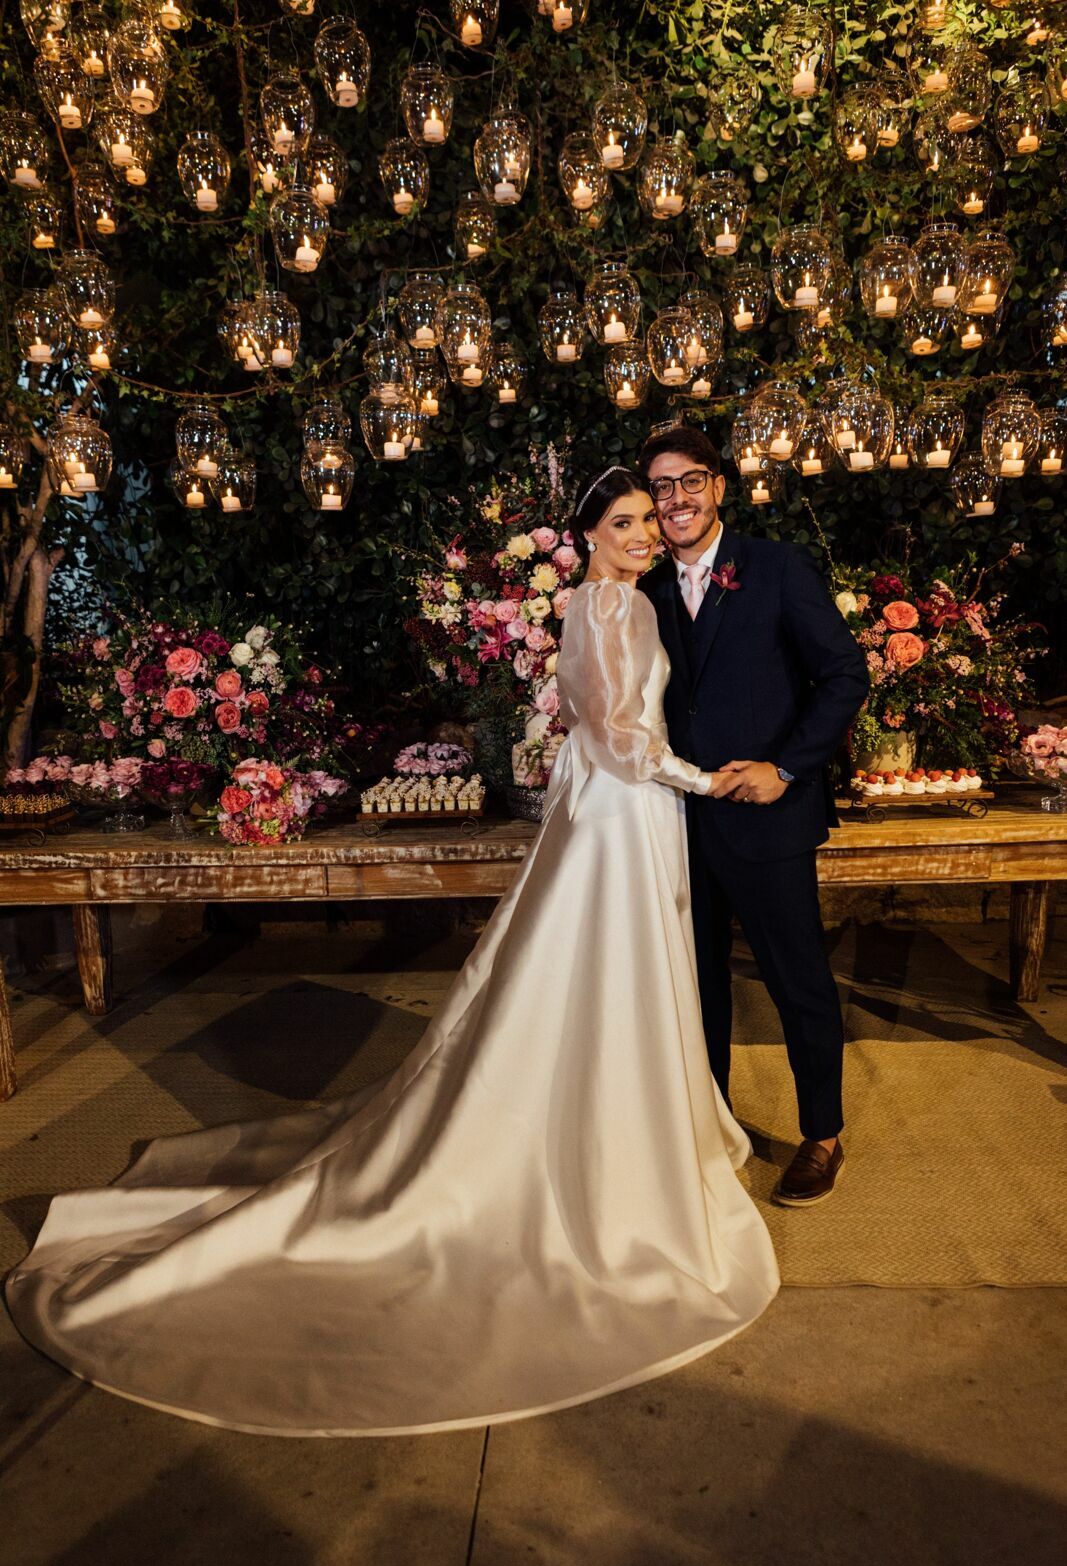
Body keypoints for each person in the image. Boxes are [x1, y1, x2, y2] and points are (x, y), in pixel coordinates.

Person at [5, 467, 778, 1438]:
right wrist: (705, 780)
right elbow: (622, 739)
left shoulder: (607, 602)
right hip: (623, 813)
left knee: (595, 976)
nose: (637, 534)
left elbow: (596, 728)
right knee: (606, 975)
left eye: (640, 522)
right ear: (582, 533)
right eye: (618, 522)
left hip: (613, 815)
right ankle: (614, 1154)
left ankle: (626, 1127)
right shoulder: (611, 606)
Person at [637, 426, 870, 1207]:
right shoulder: (642, 589)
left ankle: (823, 1133)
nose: (675, 500)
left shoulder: (772, 568)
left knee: (795, 978)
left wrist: (786, 766)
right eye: (661, 487)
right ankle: (708, 1130)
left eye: (689, 481)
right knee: (690, 984)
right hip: (673, 822)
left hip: (767, 818)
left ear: (719, 488)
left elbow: (842, 674)